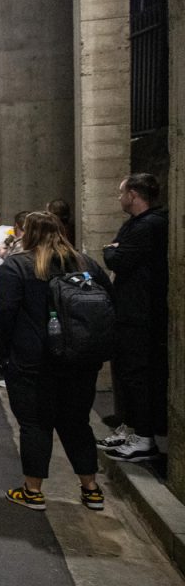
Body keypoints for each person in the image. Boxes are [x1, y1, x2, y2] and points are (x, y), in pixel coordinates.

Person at [0, 212, 111, 511]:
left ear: (27, 234)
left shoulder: (17, 266)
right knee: (77, 423)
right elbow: (110, 305)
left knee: (35, 424)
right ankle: (91, 489)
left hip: (33, 361)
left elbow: (4, 316)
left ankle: (33, 491)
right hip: (80, 360)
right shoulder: (87, 264)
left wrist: (2, 354)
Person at [100, 174, 169, 461]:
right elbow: (114, 252)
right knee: (127, 372)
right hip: (129, 310)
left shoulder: (151, 225)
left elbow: (116, 258)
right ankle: (131, 427)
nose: (119, 198)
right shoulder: (135, 224)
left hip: (142, 313)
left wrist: (114, 251)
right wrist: (114, 250)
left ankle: (144, 438)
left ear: (134, 194)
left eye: (121, 193)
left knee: (139, 374)